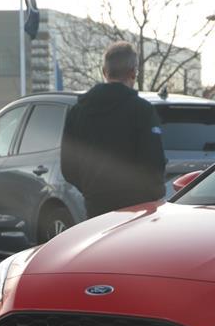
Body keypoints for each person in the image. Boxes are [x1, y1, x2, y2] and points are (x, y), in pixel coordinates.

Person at [61, 41, 166, 218]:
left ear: (104, 72)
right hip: (137, 210)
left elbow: (68, 167)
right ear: (133, 72)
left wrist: (91, 189)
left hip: (95, 207)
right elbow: (154, 162)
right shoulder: (141, 110)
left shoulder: (78, 111)